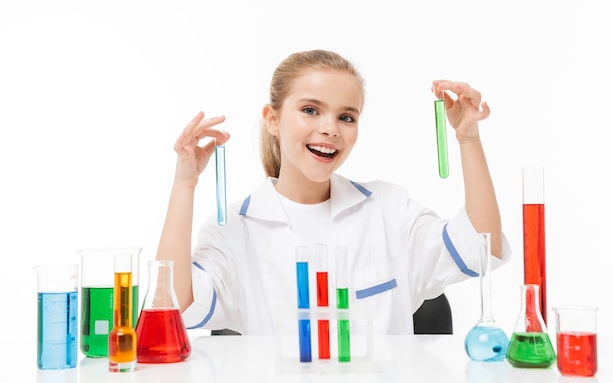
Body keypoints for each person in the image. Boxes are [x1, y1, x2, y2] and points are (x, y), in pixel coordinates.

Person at [156, 49, 510, 335]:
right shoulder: (233, 228)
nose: (330, 129)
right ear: (273, 119)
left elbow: (482, 247)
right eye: (310, 110)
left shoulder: (389, 210)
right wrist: (184, 184)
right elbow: (172, 309)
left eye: (347, 117)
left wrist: (468, 138)